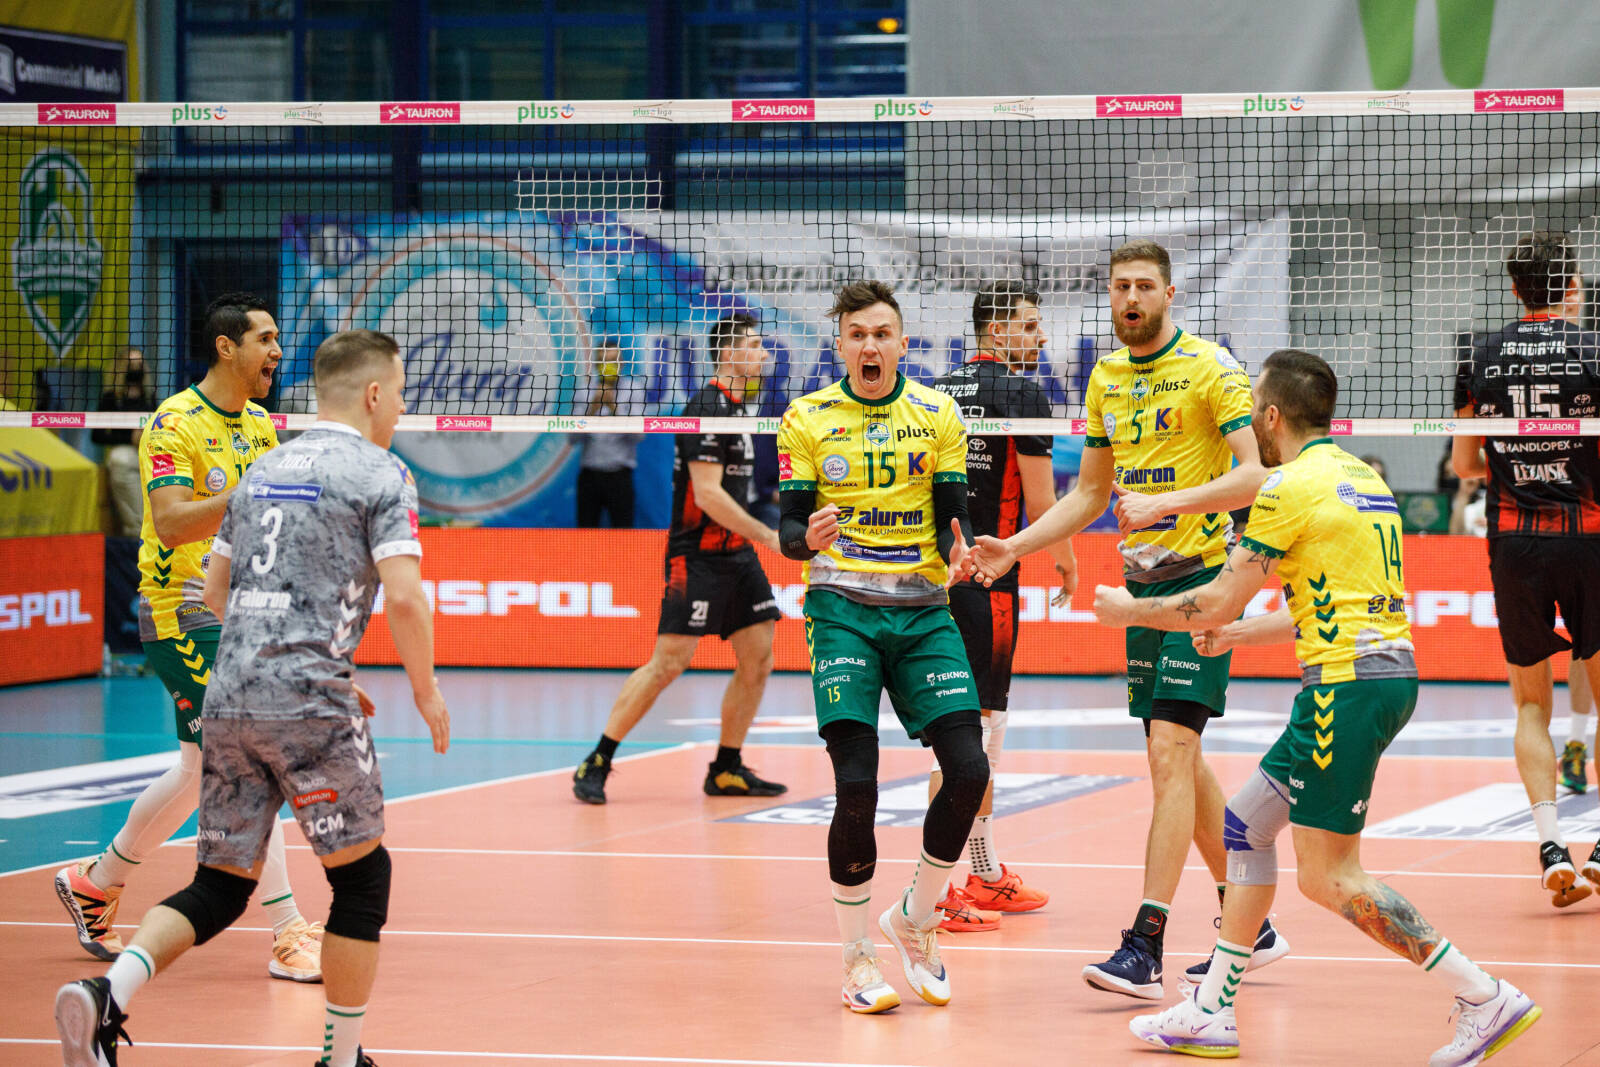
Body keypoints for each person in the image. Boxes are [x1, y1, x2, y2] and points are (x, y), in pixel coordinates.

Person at [1094, 348, 1540, 1065]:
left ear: (1271, 416)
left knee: (1330, 876)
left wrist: (1131, 611)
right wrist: (1236, 635)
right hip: (1380, 675)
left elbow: (1218, 596)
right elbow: (1323, 604)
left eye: (1252, 409)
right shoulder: (1363, 477)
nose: (1250, 420)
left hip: (1344, 688)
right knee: (1244, 827)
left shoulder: (1285, 487)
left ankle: (1483, 995)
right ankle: (1212, 1011)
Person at [54, 328, 452, 1067]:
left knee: (218, 885)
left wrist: (277, 657)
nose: (402, 407)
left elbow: (214, 591)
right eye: (400, 392)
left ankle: (107, 993)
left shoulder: (263, 466)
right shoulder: (383, 473)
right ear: (373, 395)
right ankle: (341, 1057)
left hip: (231, 689)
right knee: (363, 880)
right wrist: (424, 691)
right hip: (309, 701)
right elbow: (405, 597)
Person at [953, 239, 1286, 1000]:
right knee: (1182, 762)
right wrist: (1016, 546)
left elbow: (1258, 473)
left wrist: (1170, 503)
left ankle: (1146, 944)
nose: (1130, 297)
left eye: (1143, 285)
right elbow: (1089, 493)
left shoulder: (1211, 368)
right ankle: (1253, 923)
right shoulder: (1105, 377)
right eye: (1120, 287)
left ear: (1168, 294)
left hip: (1204, 580)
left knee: (1170, 751)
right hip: (1141, 587)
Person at [53, 293, 326, 983]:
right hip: (181, 615)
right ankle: (288, 932)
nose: (277, 351)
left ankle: (95, 882)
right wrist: (251, 495)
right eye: (265, 339)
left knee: (195, 769)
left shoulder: (259, 424)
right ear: (226, 347)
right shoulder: (173, 423)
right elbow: (173, 523)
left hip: (238, 612)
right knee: (250, 762)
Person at [777, 279, 988, 1014]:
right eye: (857, 335)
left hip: (923, 607)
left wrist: (961, 549)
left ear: (902, 342)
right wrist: (805, 536)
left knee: (970, 770)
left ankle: (916, 917)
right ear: (841, 345)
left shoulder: (937, 413)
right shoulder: (806, 417)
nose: (870, 346)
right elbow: (789, 529)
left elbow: (954, 517)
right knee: (857, 785)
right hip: (842, 610)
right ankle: (856, 958)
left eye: (882, 334)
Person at [572, 312, 786, 803]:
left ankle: (726, 767)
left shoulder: (740, 410)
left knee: (758, 657)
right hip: (698, 555)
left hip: (736, 554)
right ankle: (598, 759)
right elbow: (707, 495)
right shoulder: (706, 406)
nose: (764, 354)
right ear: (729, 353)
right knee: (669, 662)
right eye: (755, 345)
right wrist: (769, 536)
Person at [924, 281, 1077, 933]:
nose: (1040, 337)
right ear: (996, 329)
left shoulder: (936, 393)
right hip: (991, 580)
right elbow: (1042, 505)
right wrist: (1067, 558)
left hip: (943, 573)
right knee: (971, 738)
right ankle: (936, 892)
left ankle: (983, 874)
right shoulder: (1022, 394)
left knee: (978, 734)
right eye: (1029, 324)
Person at [1453, 229, 1600, 906]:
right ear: (1570, 286)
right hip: (1589, 536)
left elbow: (1463, 464)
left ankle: (1551, 846)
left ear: (1515, 289)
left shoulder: (1478, 356)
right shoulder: (1593, 350)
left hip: (1514, 540)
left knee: (1532, 704)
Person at [576, 340, 643, 529]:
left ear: (622, 363)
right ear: (597, 365)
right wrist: (591, 410)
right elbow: (572, 438)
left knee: (623, 536)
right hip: (590, 475)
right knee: (585, 537)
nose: (609, 366)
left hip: (620, 475)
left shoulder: (634, 390)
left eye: (613, 361)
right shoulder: (585, 391)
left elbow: (639, 437)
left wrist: (615, 410)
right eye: (604, 361)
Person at [92, 346, 154, 536]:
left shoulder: (148, 397)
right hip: (125, 454)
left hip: (147, 452)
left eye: (139, 364)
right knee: (120, 458)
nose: (135, 368)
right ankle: (136, 529)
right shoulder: (111, 398)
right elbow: (97, 436)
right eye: (131, 364)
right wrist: (130, 439)